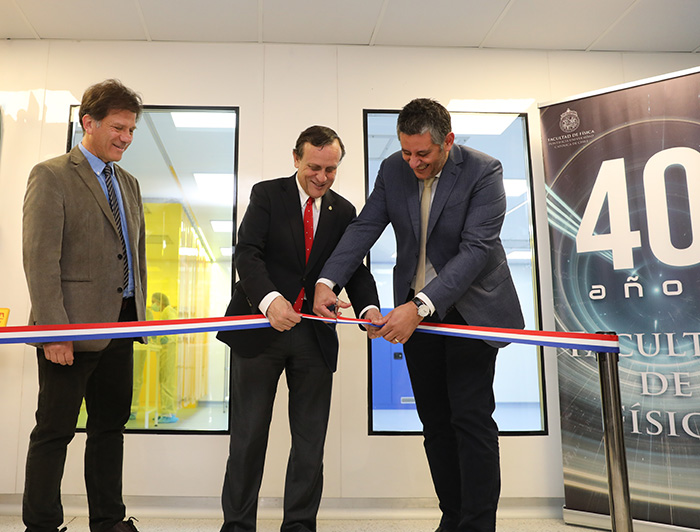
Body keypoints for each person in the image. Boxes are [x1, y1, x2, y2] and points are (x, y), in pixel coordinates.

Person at [314, 98, 525, 532]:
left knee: (469, 417)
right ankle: (453, 518)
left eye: (422, 154)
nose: (413, 162)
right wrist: (326, 282)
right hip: (419, 311)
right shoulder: (393, 169)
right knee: (435, 421)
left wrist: (419, 307)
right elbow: (365, 227)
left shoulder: (485, 171)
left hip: (470, 310)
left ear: (447, 141)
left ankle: (479, 524)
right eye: (407, 152)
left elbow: (475, 251)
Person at [216, 125, 381, 532]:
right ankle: (237, 526)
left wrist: (370, 309)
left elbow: (354, 268)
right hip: (260, 332)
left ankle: (300, 526)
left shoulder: (343, 212)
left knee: (310, 444)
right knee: (248, 439)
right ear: (296, 159)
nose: (322, 177)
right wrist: (271, 301)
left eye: (331, 169)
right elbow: (248, 253)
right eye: (314, 167)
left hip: (313, 338)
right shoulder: (267, 195)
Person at [22, 79, 147, 532]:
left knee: (109, 428)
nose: (126, 138)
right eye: (118, 128)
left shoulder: (129, 183)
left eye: (131, 130)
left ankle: (109, 521)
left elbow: (135, 254)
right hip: (69, 330)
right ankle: (41, 524)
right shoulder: (52, 174)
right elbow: (39, 258)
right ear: (88, 122)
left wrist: (139, 323)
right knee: (54, 431)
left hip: (121, 327)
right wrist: (53, 331)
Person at [131, 293, 179, 425]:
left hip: (168, 348)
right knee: (163, 380)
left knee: (166, 381)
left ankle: (168, 413)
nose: (153, 305)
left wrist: (166, 338)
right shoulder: (164, 313)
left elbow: (174, 329)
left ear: (160, 301)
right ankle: (165, 411)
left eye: (154, 301)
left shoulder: (169, 312)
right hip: (165, 349)